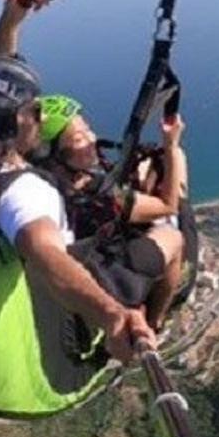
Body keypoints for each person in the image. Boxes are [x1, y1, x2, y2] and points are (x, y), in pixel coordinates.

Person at [0, 0, 157, 363]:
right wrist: (112, 317)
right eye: (35, 110)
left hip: (35, 276)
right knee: (168, 236)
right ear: (14, 122)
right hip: (70, 294)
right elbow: (45, 255)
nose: (42, 117)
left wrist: (12, 18)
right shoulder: (24, 193)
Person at [35, 94, 189, 331]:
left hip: (77, 262)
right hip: (106, 275)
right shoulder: (98, 196)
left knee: (145, 170)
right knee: (173, 236)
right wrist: (171, 145)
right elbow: (168, 205)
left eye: (88, 130)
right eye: (79, 139)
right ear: (54, 156)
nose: (92, 139)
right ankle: (155, 320)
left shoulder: (37, 184)